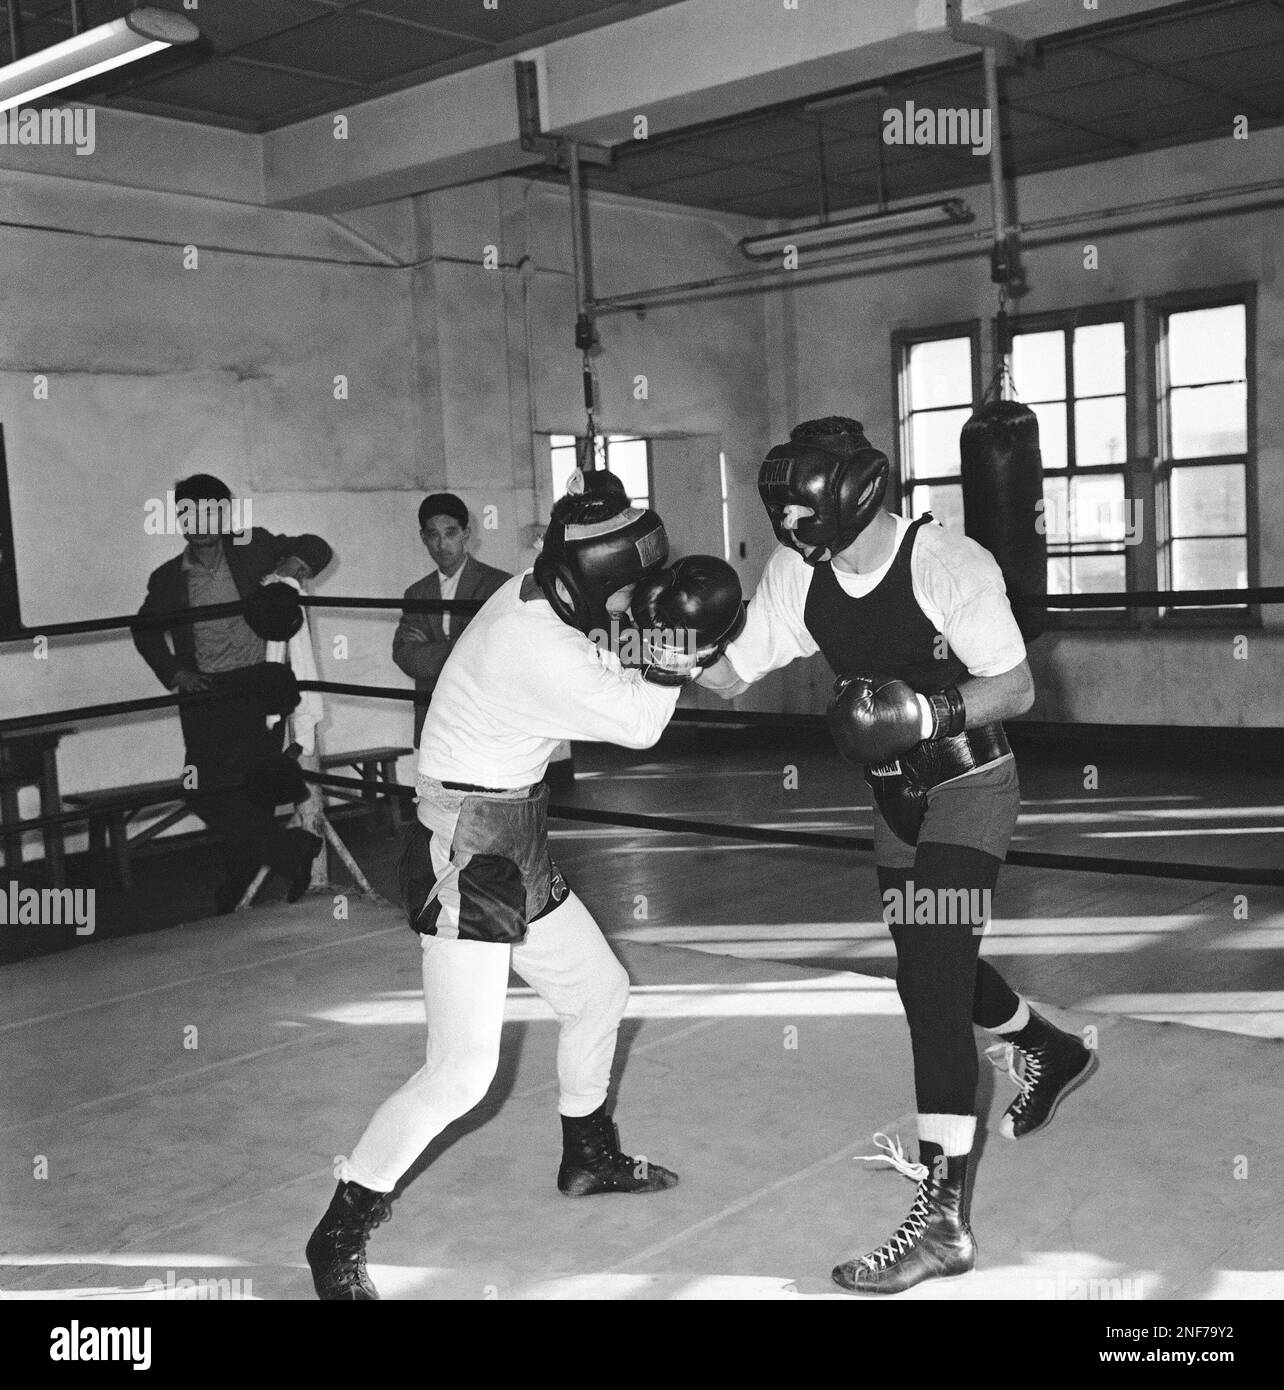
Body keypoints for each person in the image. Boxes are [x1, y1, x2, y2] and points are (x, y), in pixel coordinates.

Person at [306, 472, 744, 1300]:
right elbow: (644, 724)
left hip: (514, 831)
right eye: (628, 596)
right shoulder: (536, 643)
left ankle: (587, 1154)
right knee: (462, 1070)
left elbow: (611, 648)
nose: (630, 609)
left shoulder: (541, 592)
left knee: (599, 989)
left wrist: (664, 636)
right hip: (471, 849)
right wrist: (681, 648)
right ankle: (339, 1230)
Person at [699, 416, 1097, 1295]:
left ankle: (942, 1224)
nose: (796, 536)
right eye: (787, 520)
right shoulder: (795, 575)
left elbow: (1017, 684)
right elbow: (731, 675)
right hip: (892, 799)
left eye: (806, 516)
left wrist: (926, 711)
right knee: (934, 958)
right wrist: (647, 649)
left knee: (929, 979)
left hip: (967, 786)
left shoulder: (948, 563)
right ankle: (1050, 1048)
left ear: (852, 493)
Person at [133, 473, 331, 913]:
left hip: (260, 688)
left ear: (223, 516)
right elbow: (144, 631)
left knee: (254, 791)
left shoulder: (253, 547)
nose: (200, 521)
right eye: (189, 512)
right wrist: (175, 672)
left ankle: (236, 888)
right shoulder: (167, 578)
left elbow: (317, 547)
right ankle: (290, 851)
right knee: (200, 788)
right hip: (206, 695)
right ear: (179, 519)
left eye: (209, 511)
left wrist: (288, 569)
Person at [392, 494, 509, 745]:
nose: (442, 544)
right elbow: (406, 657)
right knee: (438, 785)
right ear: (423, 538)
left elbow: (494, 655)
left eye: (450, 533)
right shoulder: (417, 593)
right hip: (435, 720)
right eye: (433, 535)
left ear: (466, 534)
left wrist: (431, 649)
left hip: (485, 719)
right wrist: (461, 646)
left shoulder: (499, 585)